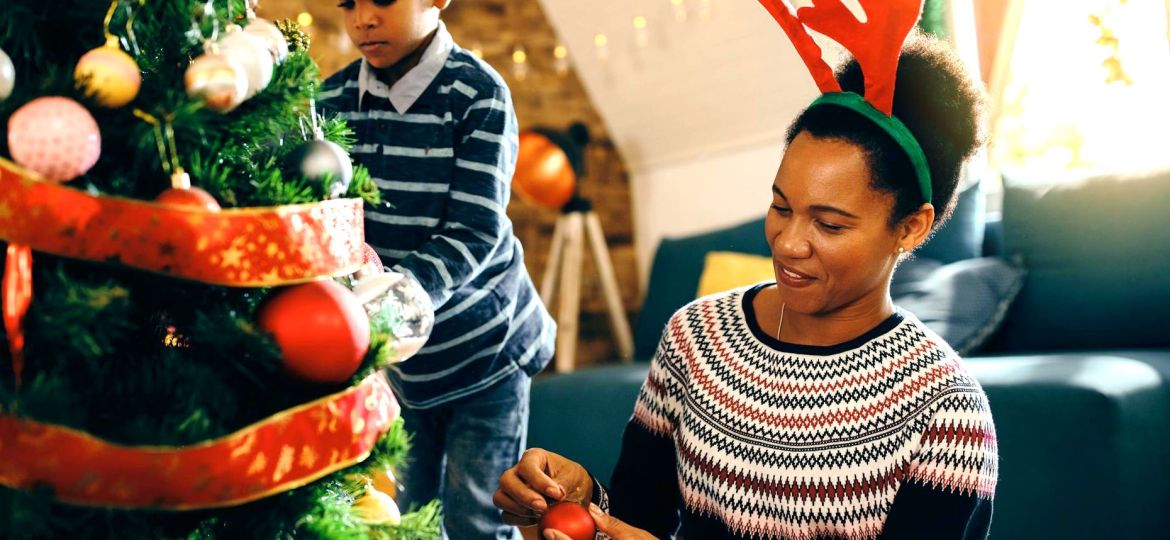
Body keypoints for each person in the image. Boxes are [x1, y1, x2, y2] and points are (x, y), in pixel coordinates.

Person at [493, 30, 997, 540]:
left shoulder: (947, 412)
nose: (788, 243)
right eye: (781, 207)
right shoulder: (696, 337)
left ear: (910, 226)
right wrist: (581, 503)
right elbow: (638, 520)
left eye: (830, 224)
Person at [319, 1, 555, 538]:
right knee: (407, 515)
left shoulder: (478, 93)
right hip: (402, 367)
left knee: (478, 514)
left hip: (487, 354)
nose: (363, 19)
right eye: (348, 4)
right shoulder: (329, 102)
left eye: (380, 0)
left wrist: (393, 299)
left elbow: (476, 229)